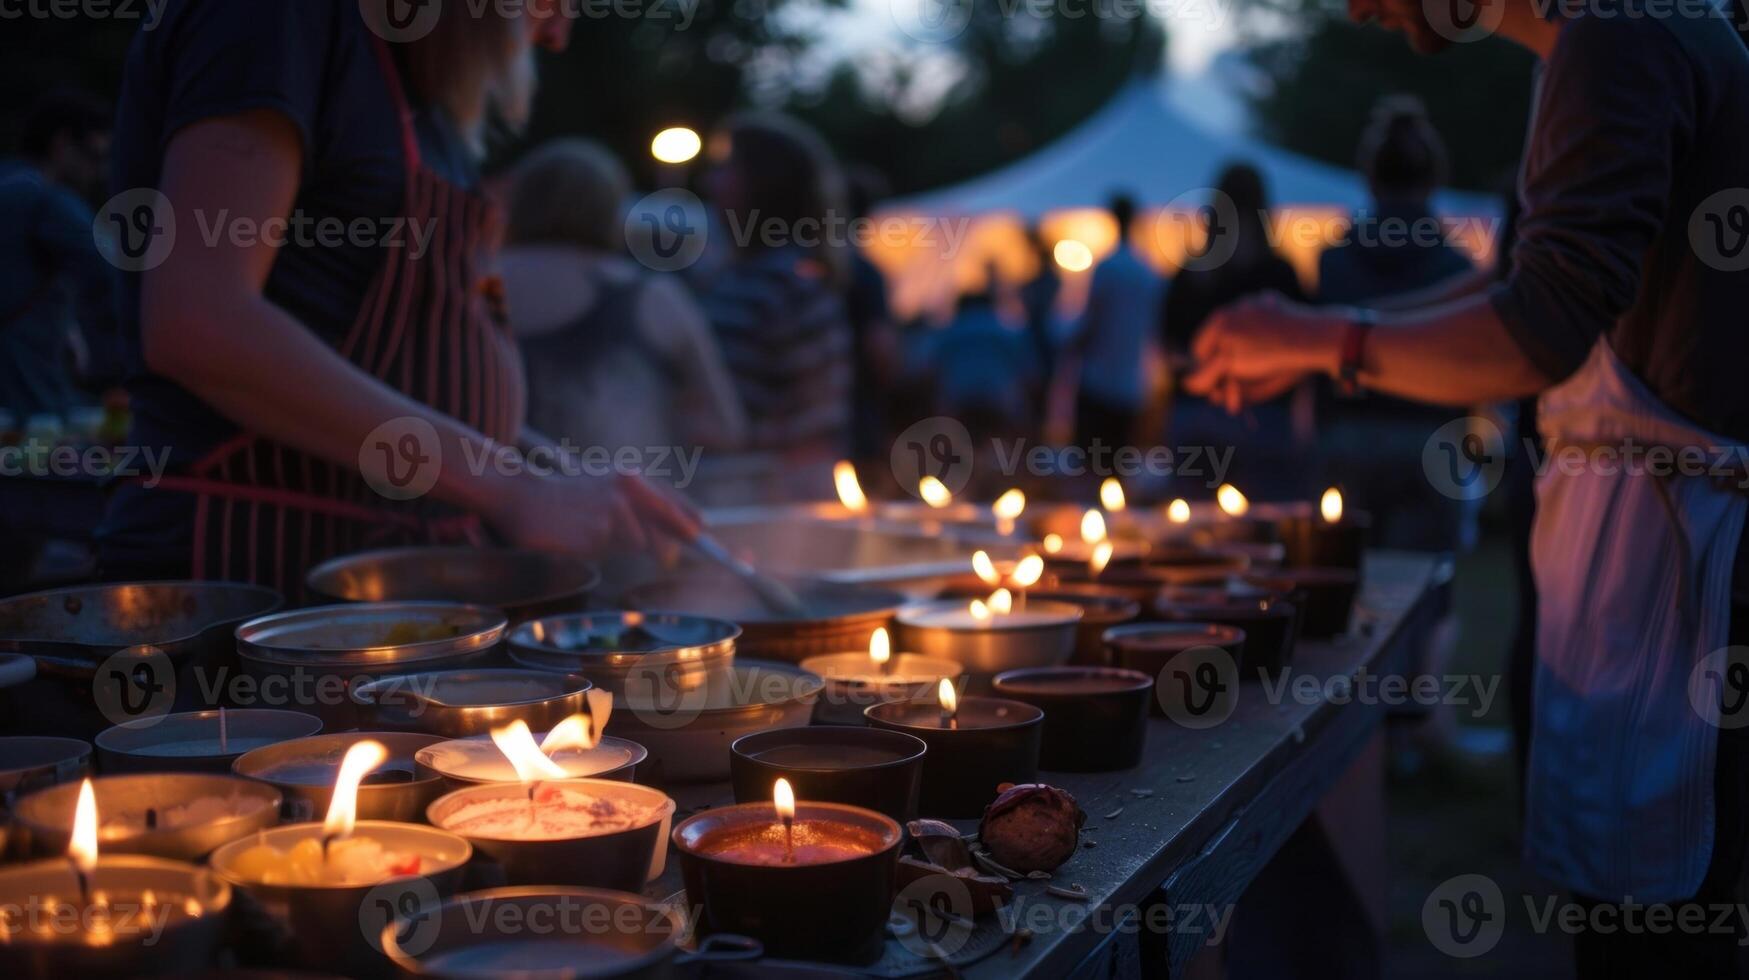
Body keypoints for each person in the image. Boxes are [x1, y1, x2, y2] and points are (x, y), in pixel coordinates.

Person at [1187, 0, 1749, 974]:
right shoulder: (1601, 45)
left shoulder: (1621, 38)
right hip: (1638, 549)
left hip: (1678, 571)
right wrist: (1316, 329)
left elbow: (1539, 323)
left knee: (1654, 936)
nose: (1353, 7)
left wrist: (1322, 338)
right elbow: (1519, 278)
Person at [97, 0, 695, 595]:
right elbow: (200, 323)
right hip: (254, 568)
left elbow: (402, 372)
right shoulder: (278, 20)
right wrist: (510, 488)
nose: (559, 35)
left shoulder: (418, 97)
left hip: (389, 577)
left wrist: (559, 473)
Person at [500, 139, 745, 469]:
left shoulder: (477, 281)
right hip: (619, 508)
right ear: (614, 210)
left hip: (485, 504)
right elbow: (724, 428)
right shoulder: (652, 296)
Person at [1315, 98, 1476, 552]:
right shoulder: (1458, 271)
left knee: (1344, 586)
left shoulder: (1333, 264)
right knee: (1420, 595)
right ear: (1433, 177)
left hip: (1349, 436)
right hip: (1430, 440)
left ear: (1369, 175)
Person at [696, 113, 854, 502]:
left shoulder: (781, 281)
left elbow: (815, 416)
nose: (710, 182)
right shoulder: (752, 275)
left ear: (762, 183)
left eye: (726, 168)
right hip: (755, 488)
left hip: (768, 499)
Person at [1161, 165, 1308, 498]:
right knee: (1265, 527)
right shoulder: (1279, 273)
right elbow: (1305, 349)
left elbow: (1168, 343)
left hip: (1195, 411)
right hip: (1263, 415)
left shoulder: (1191, 272)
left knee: (1192, 531)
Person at [0, 89, 116, 420]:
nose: (101, 172)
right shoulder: (48, 200)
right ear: (62, 144)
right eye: (95, 155)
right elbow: (115, 275)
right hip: (31, 397)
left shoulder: (7, 181)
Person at [1063, 192, 1163, 450]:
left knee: (1090, 463)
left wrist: (1069, 347)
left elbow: (1092, 320)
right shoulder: (1147, 271)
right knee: (1120, 462)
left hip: (1099, 380)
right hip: (1131, 383)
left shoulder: (1108, 268)